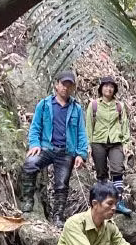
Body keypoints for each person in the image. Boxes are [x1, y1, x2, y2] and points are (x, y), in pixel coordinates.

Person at [20, 70, 88, 227]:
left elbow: (81, 133)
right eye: (63, 84)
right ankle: (27, 201)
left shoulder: (76, 109)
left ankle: (57, 217)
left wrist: (81, 154)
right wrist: (34, 144)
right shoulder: (44, 105)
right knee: (30, 164)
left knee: (62, 184)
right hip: (46, 147)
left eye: (69, 85)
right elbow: (35, 127)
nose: (66, 88)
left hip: (66, 151)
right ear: (56, 85)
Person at [86, 76, 132, 215]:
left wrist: (126, 142)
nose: (109, 88)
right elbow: (88, 125)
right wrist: (88, 144)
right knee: (101, 174)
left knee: (117, 170)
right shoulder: (93, 105)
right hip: (98, 141)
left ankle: (118, 203)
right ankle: (103, 203)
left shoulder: (119, 106)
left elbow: (124, 125)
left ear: (114, 90)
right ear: (101, 88)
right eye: (106, 86)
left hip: (115, 142)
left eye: (111, 86)